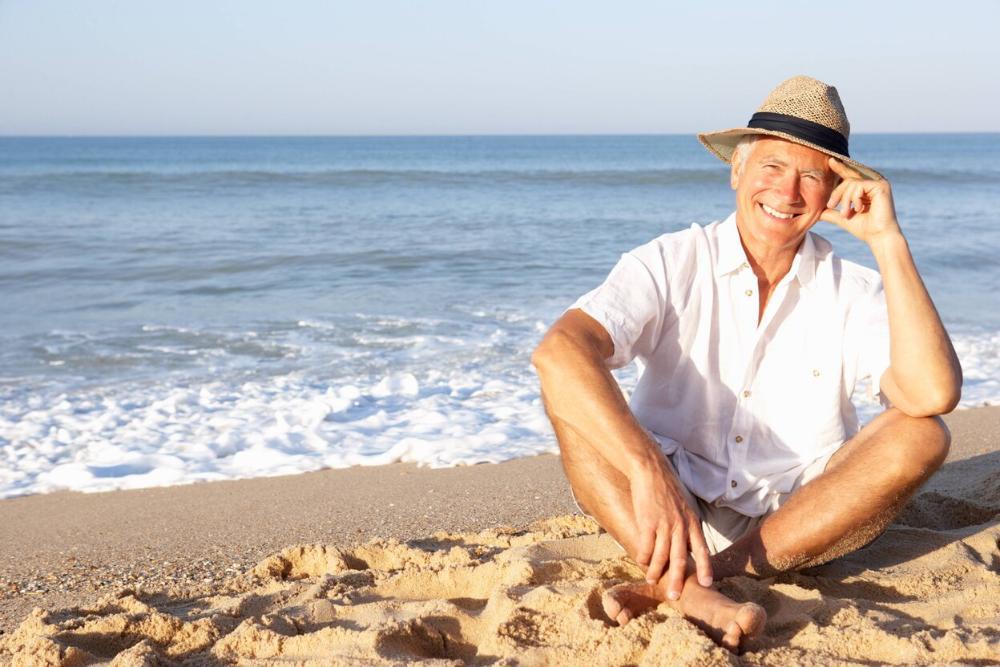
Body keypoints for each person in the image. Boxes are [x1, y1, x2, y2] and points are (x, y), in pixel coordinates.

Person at [531, 76, 962, 652]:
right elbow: (558, 349)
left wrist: (887, 241)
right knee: (569, 391)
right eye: (772, 166)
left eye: (812, 175)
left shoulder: (853, 290)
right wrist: (647, 471)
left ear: (834, 191)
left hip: (794, 519)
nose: (787, 191)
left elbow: (931, 394)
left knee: (921, 435)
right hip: (661, 506)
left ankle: (695, 583)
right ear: (737, 170)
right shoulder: (671, 260)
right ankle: (691, 583)